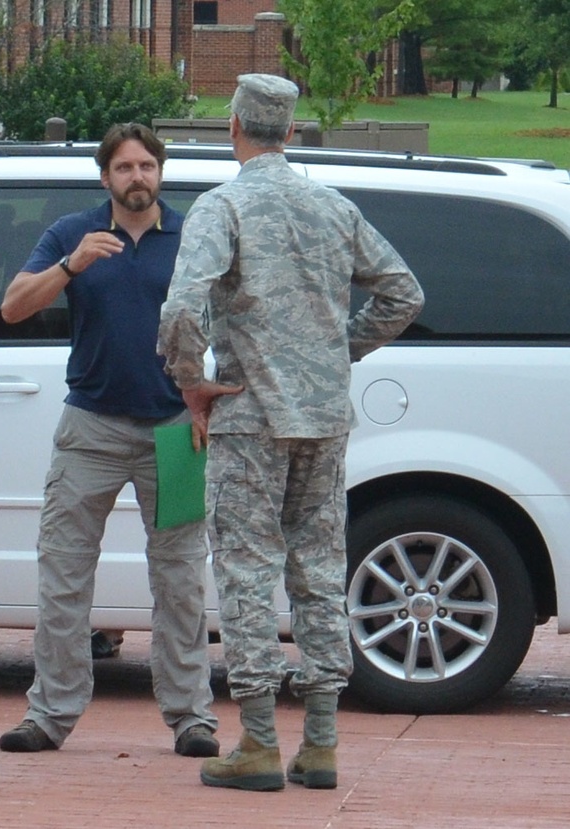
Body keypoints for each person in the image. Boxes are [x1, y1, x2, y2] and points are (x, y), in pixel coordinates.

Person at [157, 74, 424, 791]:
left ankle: (256, 741)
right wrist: (342, 348)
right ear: (292, 131)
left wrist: (191, 379)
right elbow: (404, 292)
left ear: (236, 125)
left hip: (250, 414)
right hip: (325, 418)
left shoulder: (225, 206)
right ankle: (323, 741)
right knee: (318, 567)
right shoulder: (333, 206)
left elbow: (183, 306)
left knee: (246, 569)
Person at [0, 123, 219, 758]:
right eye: (124, 167)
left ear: (161, 173)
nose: (137, 177)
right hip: (90, 428)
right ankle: (50, 714)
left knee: (179, 579)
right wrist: (71, 266)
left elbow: (231, 318)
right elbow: (13, 306)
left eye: (147, 165)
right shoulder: (73, 233)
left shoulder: (194, 237)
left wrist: (208, 392)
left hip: (177, 432)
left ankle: (191, 718)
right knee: (63, 574)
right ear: (105, 178)